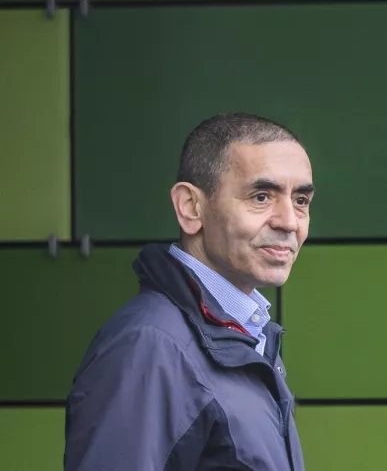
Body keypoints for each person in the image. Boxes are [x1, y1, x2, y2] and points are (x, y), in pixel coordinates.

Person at [63, 112, 314, 471]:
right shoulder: (150, 347)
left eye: (301, 200)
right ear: (190, 207)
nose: (289, 222)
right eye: (261, 197)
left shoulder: (248, 334)